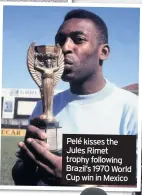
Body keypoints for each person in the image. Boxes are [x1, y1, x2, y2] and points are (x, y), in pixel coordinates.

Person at [12, 9, 138, 186]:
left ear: (104, 52)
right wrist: (28, 158)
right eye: (60, 41)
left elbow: (136, 183)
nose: (65, 48)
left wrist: (75, 174)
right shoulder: (43, 107)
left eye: (78, 39)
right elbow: (21, 178)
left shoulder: (132, 108)